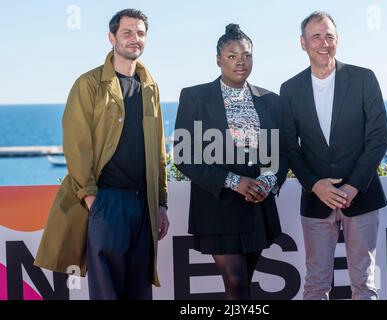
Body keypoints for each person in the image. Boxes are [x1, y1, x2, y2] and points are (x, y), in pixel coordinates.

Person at [34, 8, 169, 299]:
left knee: (139, 291)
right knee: (106, 292)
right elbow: (76, 144)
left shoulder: (150, 87)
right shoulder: (89, 84)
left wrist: (161, 202)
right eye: (127, 33)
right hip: (107, 201)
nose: (135, 39)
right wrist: (92, 199)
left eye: (141, 33)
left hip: (143, 203)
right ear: (112, 37)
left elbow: (158, 148)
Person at [280, 11, 387, 300]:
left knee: (364, 283)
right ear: (302, 42)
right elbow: (289, 147)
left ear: (338, 40)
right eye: (315, 36)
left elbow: (379, 137)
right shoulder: (289, 90)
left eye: (329, 36)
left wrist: (352, 186)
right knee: (316, 283)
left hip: (362, 197)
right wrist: (316, 185)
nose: (323, 42)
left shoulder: (363, 79)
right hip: (317, 201)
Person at [174, 24, 287, 300]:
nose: (241, 62)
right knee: (236, 283)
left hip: (257, 206)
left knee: (244, 285)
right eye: (232, 55)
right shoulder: (194, 97)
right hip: (217, 206)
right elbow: (183, 156)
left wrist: (268, 180)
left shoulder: (270, 100)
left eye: (247, 55)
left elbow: (283, 152)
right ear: (218, 59)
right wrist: (235, 182)